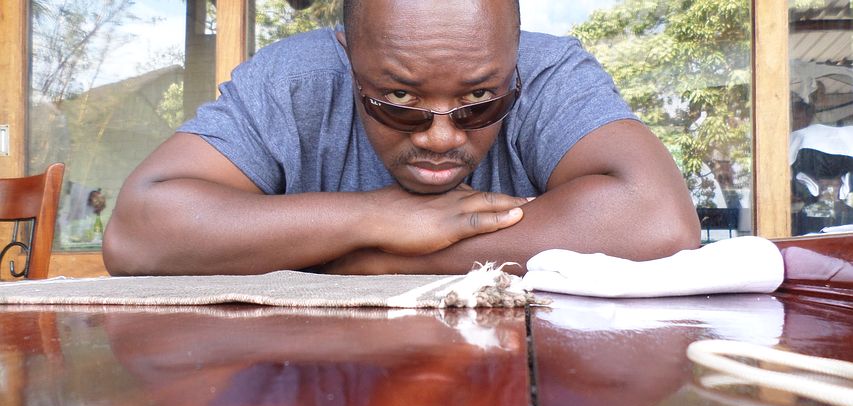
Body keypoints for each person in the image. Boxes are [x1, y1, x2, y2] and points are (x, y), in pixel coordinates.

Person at [103, 0, 700, 276]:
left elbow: (656, 220)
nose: (441, 138)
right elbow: (138, 231)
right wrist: (375, 218)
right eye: (398, 99)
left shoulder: (549, 73)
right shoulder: (295, 78)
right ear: (348, 57)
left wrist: (377, 262)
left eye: (480, 100)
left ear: (514, 59)